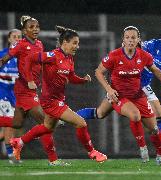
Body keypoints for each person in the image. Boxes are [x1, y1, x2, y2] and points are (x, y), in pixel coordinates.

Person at [10, 25, 107, 163]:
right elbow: (29, 59)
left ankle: (19, 142)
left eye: (78, 43)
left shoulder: (69, 59)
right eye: (74, 43)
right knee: (81, 123)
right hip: (50, 101)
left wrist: (82, 80)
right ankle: (92, 152)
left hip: (57, 98)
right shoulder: (52, 56)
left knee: (47, 127)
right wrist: (30, 80)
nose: (77, 46)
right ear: (64, 43)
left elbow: (71, 77)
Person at [94, 25, 161, 165]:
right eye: (127, 38)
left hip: (139, 93)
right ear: (123, 40)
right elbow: (98, 72)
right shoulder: (117, 54)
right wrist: (109, 89)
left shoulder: (146, 55)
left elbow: (158, 71)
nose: (131, 40)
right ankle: (143, 147)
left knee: (154, 128)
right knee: (133, 115)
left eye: (133, 38)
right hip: (119, 95)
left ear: (138, 39)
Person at [0, 15, 63, 166]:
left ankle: (17, 142)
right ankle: (53, 160)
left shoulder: (40, 44)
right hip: (23, 90)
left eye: (37, 27)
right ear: (24, 31)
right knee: (46, 122)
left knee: (16, 123)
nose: (35, 29)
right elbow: (5, 58)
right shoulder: (20, 45)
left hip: (31, 91)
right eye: (31, 27)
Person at [0, 29, 21, 163]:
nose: (17, 39)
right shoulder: (3, 55)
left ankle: (11, 154)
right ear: (9, 39)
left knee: (10, 125)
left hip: (15, 96)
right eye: (14, 37)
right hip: (2, 94)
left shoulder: (23, 58)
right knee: (9, 122)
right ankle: (11, 155)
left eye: (19, 37)